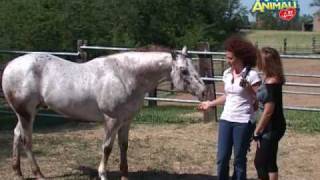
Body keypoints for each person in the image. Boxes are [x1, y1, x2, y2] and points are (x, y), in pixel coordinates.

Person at [198, 36, 261, 180]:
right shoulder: (227, 74)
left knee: (239, 158)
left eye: (231, 58)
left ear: (240, 57)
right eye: (227, 57)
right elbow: (228, 95)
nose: (228, 61)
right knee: (222, 158)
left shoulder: (252, 75)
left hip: (243, 121)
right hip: (226, 119)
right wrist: (210, 103)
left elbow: (260, 98)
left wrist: (249, 88)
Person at [253, 47, 286, 180]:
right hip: (272, 126)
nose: (257, 61)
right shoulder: (269, 78)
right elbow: (262, 98)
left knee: (260, 163)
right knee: (270, 162)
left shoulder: (272, 82)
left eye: (259, 59)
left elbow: (268, 111)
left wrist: (257, 131)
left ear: (266, 62)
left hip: (271, 128)